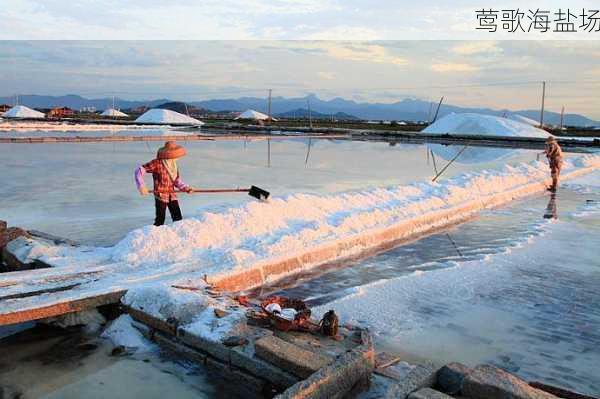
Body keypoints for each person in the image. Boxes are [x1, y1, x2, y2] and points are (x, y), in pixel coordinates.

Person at [135, 141, 193, 226]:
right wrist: (142, 186)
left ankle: (177, 234)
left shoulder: (174, 165)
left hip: (171, 194)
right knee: (160, 219)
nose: (177, 158)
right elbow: (139, 171)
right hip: (160, 195)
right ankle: (154, 235)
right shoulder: (157, 163)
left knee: (178, 218)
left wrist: (186, 188)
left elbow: (177, 181)